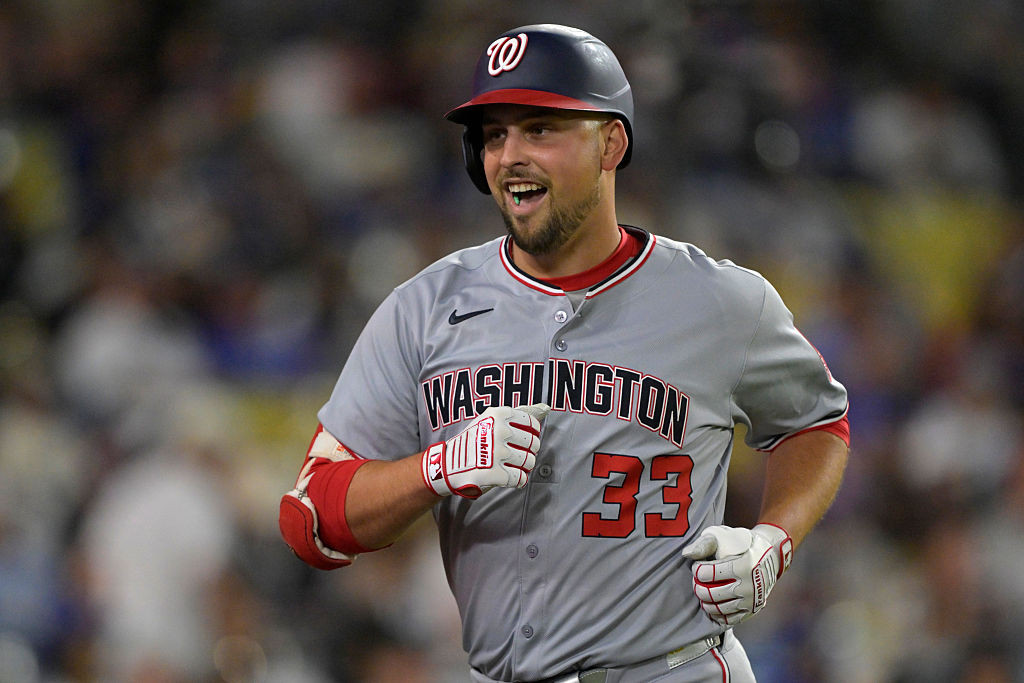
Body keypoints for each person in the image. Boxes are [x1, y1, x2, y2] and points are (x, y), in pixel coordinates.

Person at [279, 23, 850, 683]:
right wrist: (434, 469)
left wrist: (773, 540)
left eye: (540, 129)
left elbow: (815, 423)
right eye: (495, 135)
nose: (510, 156)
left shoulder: (720, 301)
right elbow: (310, 518)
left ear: (611, 142)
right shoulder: (424, 309)